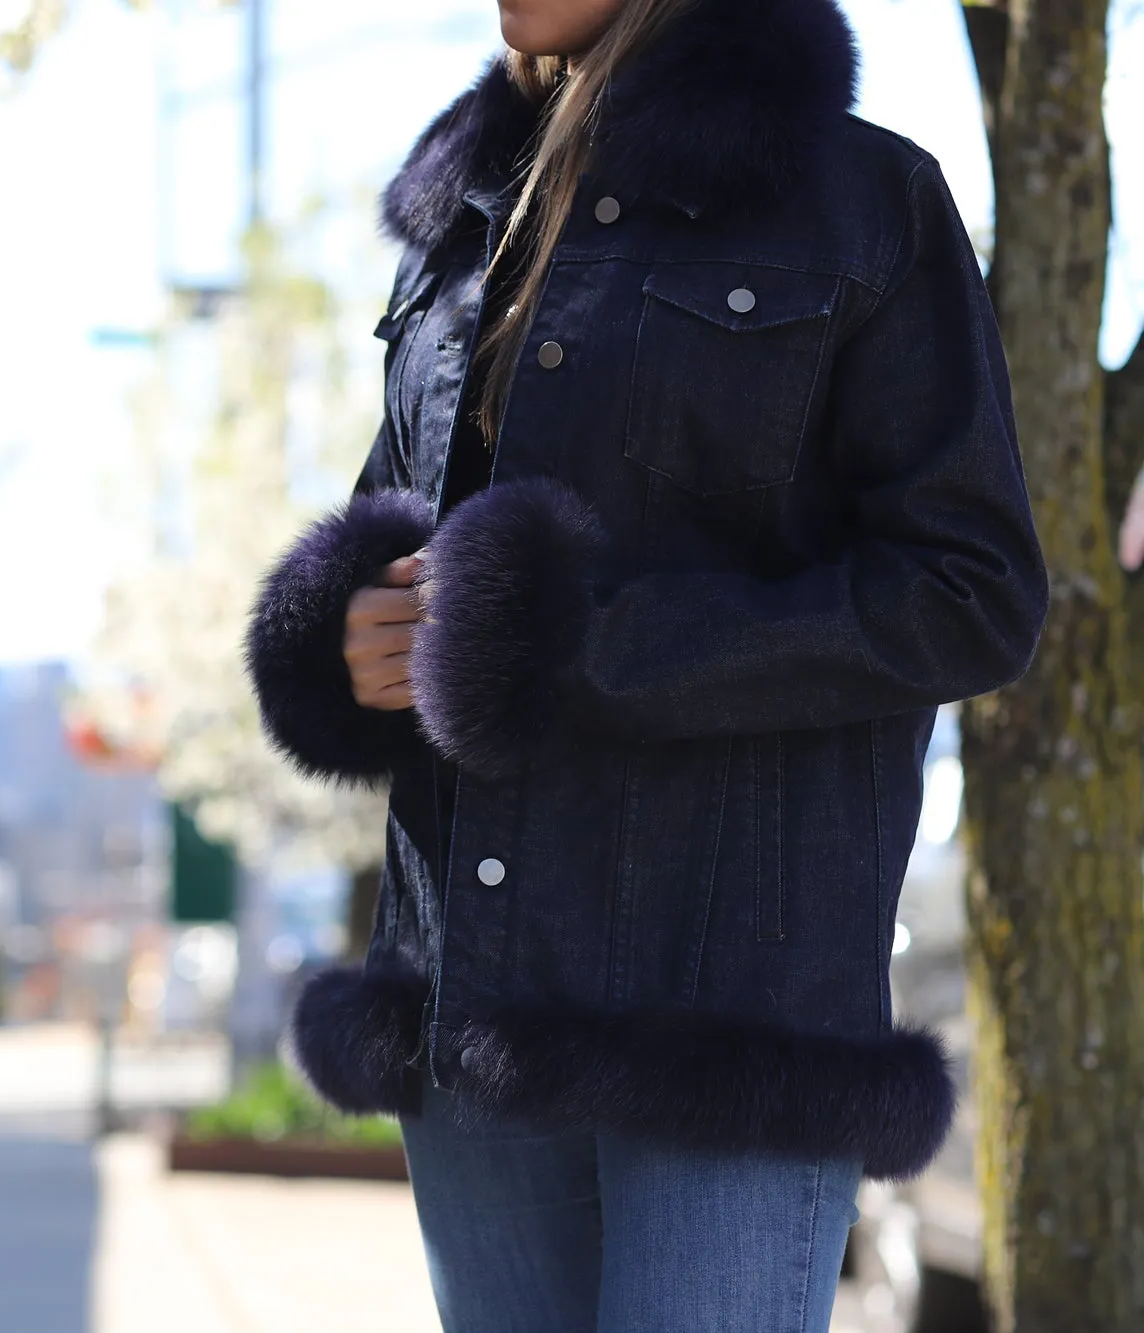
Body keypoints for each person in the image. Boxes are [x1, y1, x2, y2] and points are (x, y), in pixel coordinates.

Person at [243, 0, 1047, 1328]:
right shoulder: (465, 219)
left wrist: (579, 644)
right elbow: (403, 521)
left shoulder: (862, 201)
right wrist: (344, 630)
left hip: (729, 1011)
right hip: (472, 997)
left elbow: (967, 596)